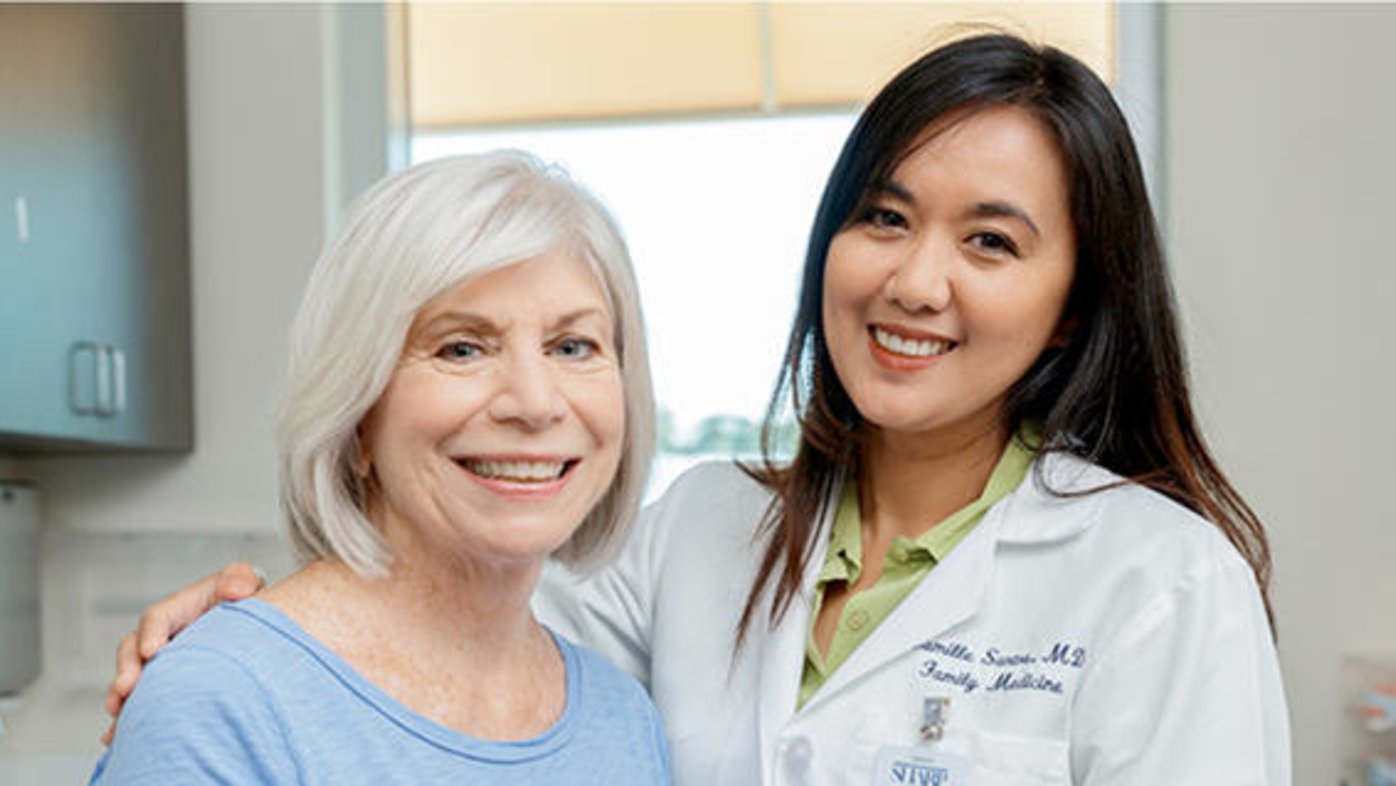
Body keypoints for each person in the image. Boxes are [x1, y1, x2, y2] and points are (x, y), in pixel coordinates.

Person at [104, 33, 1290, 785]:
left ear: (1074, 309)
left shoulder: (1157, 580)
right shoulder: (697, 528)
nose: (913, 281)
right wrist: (250, 625)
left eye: (990, 241)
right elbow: (440, 646)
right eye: (882, 217)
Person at [91, 152, 670, 783]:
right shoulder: (221, 702)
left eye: (571, 346)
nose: (534, 403)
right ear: (357, 413)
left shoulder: (623, 717)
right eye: (462, 348)